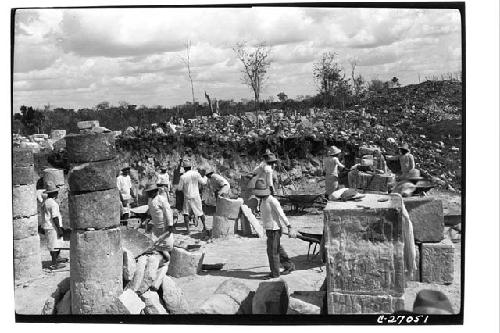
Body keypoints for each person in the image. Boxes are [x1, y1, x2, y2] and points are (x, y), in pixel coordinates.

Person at [253, 179, 297, 279]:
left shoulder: (272, 200)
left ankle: (275, 273)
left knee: (272, 252)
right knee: (277, 249)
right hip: (270, 230)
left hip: (274, 230)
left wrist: (289, 226)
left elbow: (281, 214)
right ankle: (289, 266)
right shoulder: (263, 200)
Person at [177, 159, 208, 234]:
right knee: (200, 211)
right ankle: (205, 227)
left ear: (184, 168)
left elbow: (179, 188)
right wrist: (205, 177)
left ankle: (188, 230)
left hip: (187, 196)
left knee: (186, 213)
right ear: (190, 167)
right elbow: (203, 182)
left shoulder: (183, 177)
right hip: (196, 196)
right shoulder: (196, 174)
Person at [42, 182, 66, 270]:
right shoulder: (53, 204)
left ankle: (57, 259)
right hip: (53, 227)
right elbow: (55, 217)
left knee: (55, 244)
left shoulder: (46, 202)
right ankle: (54, 263)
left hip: (48, 226)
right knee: (55, 245)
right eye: (56, 192)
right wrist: (59, 228)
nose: (58, 193)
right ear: (54, 193)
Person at [145, 183, 174, 248]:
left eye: (150, 192)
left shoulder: (161, 199)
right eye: (148, 192)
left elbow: (168, 211)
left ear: (155, 191)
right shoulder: (150, 200)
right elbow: (151, 209)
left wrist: (170, 225)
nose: (149, 194)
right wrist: (148, 217)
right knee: (157, 243)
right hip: (156, 225)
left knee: (167, 243)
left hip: (164, 225)